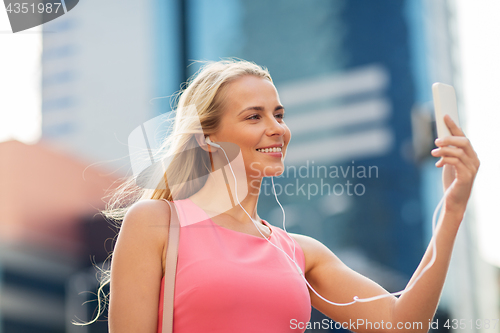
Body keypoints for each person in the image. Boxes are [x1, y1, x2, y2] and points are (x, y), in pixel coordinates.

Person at [103, 59, 479, 332]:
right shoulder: (156, 222)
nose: (277, 129)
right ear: (207, 139)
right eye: (254, 117)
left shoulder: (300, 252)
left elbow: (403, 326)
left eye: (278, 115)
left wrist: (452, 209)